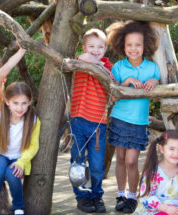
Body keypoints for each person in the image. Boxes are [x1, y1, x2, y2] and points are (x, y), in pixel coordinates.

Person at [106, 20, 161, 213]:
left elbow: (159, 85)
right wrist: (127, 81)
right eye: (129, 45)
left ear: (145, 46)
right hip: (120, 118)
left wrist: (155, 81)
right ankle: (121, 194)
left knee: (131, 160)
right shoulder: (118, 68)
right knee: (120, 158)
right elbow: (112, 95)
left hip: (139, 122)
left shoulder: (153, 68)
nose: (133, 48)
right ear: (122, 45)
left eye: (138, 44)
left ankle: (132, 196)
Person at [0, 82, 40, 215]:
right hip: (2, 154)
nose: (20, 107)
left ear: (29, 102)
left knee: (12, 175)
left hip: (20, 156)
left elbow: (34, 145)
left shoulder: (33, 120)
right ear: (7, 102)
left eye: (23, 103)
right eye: (15, 103)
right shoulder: (0, 117)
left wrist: (22, 162)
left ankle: (18, 207)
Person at [69, 28, 113, 213]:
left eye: (100, 47)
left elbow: (111, 78)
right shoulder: (81, 60)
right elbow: (84, 58)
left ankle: (97, 195)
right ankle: (82, 197)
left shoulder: (109, 67)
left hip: (97, 124)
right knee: (77, 162)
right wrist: (97, 63)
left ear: (106, 49)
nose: (96, 50)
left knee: (96, 165)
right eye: (91, 46)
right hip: (78, 121)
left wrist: (102, 66)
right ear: (84, 47)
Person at [135, 130, 178, 215]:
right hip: (154, 211)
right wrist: (165, 208)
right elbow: (145, 197)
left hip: (175, 209)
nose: (176, 153)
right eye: (171, 149)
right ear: (161, 149)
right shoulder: (153, 171)